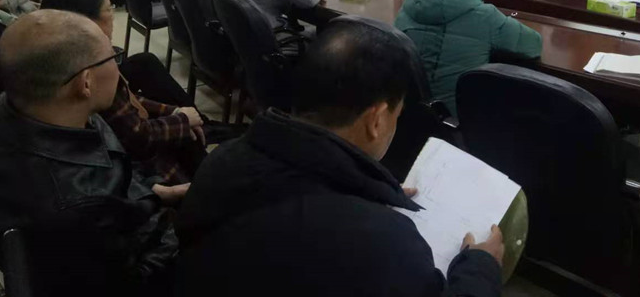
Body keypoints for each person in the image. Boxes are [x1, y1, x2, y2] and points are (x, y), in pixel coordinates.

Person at [175, 20, 504, 297]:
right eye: (398, 114)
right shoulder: (384, 243)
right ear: (377, 120)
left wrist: (367, 193)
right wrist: (481, 269)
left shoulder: (221, 160)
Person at [0, 10, 188, 297]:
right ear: (85, 83)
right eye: (112, 56)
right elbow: (135, 280)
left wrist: (152, 194)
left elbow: (113, 180)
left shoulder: (32, 109)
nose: (118, 66)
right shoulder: (78, 205)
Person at [41, 0, 206, 184]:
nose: (113, 17)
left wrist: (174, 112)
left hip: (132, 160)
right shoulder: (90, 72)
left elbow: (126, 102)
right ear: (86, 23)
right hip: (143, 173)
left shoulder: (53, 58)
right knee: (190, 137)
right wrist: (182, 121)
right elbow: (139, 138)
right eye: (108, 10)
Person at [396, 0, 543, 115]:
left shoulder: (407, 6)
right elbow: (533, 45)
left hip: (405, 111)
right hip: (457, 115)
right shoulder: (485, 15)